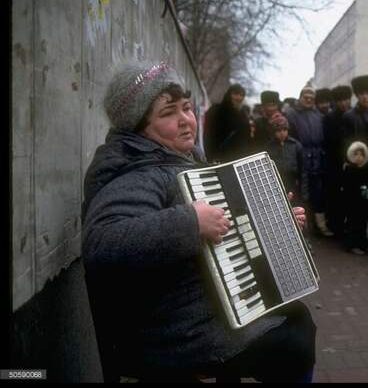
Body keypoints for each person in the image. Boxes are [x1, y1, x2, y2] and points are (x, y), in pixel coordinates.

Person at [81, 61, 315, 382]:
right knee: (294, 339)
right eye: (168, 113)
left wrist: (277, 220)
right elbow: (102, 243)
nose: (185, 121)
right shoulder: (138, 173)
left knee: (296, 316)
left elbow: (227, 226)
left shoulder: (179, 159)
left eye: (187, 108)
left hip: (200, 308)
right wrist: (190, 223)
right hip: (169, 331)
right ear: (137, 125)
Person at [287, 86, 334, 237]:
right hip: (300, 156)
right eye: (305, 97)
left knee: (318, 193)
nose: (308, 100)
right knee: (301, 193)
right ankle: (302, 230)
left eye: (311, 98)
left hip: (317, 158)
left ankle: (320, 225)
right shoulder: (291, 114)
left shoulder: (318, 115)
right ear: (300, 97)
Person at [323, 85, 352, 236]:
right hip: (335, 161)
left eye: (346, 99)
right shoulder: (329, 117)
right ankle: (336, 225)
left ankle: (347, 226)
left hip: (352, 160)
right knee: (335, 195)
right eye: (340, 100)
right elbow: (329, 142)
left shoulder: (352, 114)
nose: (344, 103)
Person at [203, 83, 252, 162]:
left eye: (242, 95)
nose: (239, 97)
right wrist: (210, 157)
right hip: (219, 160)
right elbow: (207, 136)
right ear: (229, 94)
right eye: (236, 94)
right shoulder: (216, 110)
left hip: (239, 162)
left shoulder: (243, 116)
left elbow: (247, 141)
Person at [342, 141, 368, 255]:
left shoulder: (367, 170)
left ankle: (361, 244)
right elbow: (347, 187)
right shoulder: (349, 169)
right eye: (356, 154)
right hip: (352, 203)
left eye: (361, 155)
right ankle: (352, 245)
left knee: (362, 225)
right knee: (353, 224)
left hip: (363, 203)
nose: (359, 157)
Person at [266, 115, 305, 207]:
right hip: (277, 184)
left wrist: (304, 192)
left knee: (296, 208)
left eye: (284, 130)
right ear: (274, 132)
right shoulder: (269, 147)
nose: (282, 133)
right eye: (278, 131)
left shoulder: (295, 145)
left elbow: (303, 170)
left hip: (293, 183)